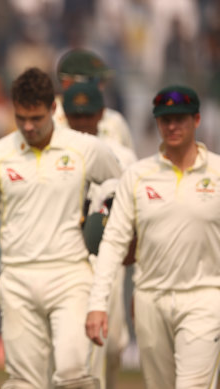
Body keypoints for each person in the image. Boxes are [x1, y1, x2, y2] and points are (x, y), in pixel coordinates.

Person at [0, 67, 122, 389]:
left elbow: (121, 190)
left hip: (71, 275)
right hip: (17, 277)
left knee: (72, 374)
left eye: (36, 118)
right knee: (24, 381)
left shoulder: (85, 149)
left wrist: (105, 217)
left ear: (54, 109)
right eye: (21, 118)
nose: (28, 126)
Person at [86, 85, 220, 389]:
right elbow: (114, 243)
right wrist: (98, 303)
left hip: (205, 297)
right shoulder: (138, 175)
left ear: (196, 120)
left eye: (180, 119)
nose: (172, 126)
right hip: (150, 300)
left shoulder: (217, 171)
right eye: (165, 120)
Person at [63, 82, 137, 389]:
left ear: (100, 115)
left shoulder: (122, 156)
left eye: (87, 114)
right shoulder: (57, 153)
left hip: (109, 264)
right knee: (72, 358)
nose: (81, 122)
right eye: (75, 115)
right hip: (69, 262)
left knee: (112, 347)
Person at [54, 48, 135, 151]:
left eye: (103, 81)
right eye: (94, 80)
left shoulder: (114, 121)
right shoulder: (48, 120)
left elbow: (129, 162)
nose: (101, 87)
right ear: (67, 83)